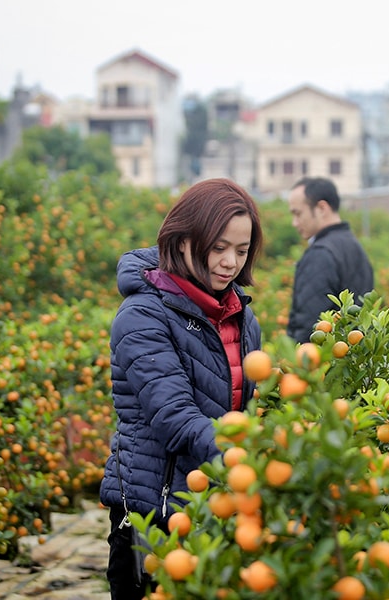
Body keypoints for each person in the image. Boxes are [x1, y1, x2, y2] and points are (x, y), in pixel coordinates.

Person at [99, 178, 263, 599]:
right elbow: (175, 417)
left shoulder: (241, 316)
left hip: (214, 509)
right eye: (219, 247)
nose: (229, 263)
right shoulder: (141, 316)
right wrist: (247, 459)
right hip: (154, 512)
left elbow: (246, 407)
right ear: (184, 239)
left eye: (241, 252)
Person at [286, 176, 374, 343]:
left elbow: (309, 324)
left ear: (321, 208)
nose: (294, 223)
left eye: (298, 213)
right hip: (354, 357)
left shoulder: (320, 254)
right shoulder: (354, 246)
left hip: (324, 361)